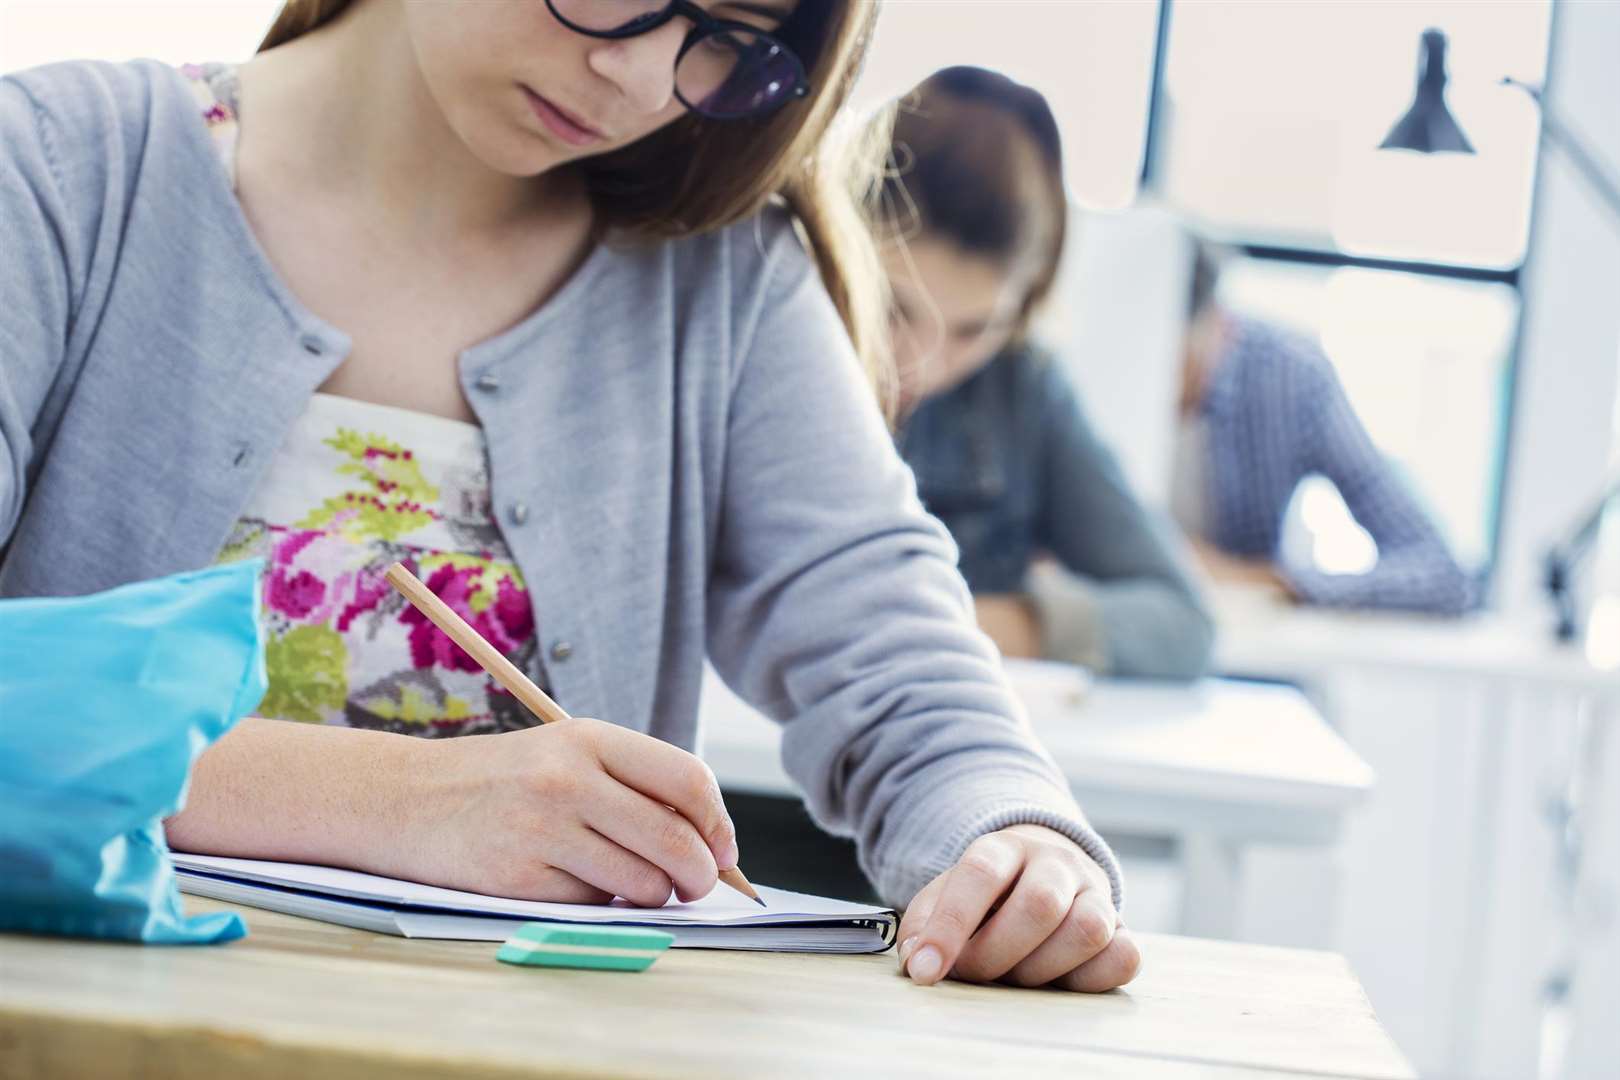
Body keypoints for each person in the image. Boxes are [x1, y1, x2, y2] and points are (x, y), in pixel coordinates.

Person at [0, 1, 1139, 992]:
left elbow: (896, 660)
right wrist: (396, 802)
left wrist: (1012, 838)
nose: (648, 80)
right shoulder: (60, 170)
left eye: (729, 37)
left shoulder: (728, 283)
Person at [878, 66, 1214, 679]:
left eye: (973, 330)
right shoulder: (767, 345)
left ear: (1025, 308)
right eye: (893, 310)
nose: (921, 364)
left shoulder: (1020, 388)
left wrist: (949, 624)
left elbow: (1182, 624)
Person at [1172, 242, 1476, 615]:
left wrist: (1265, 580)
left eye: (1180, 362)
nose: (1167, 392)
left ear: (1219, 323)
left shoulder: (1288, 378)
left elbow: (1439, 574)